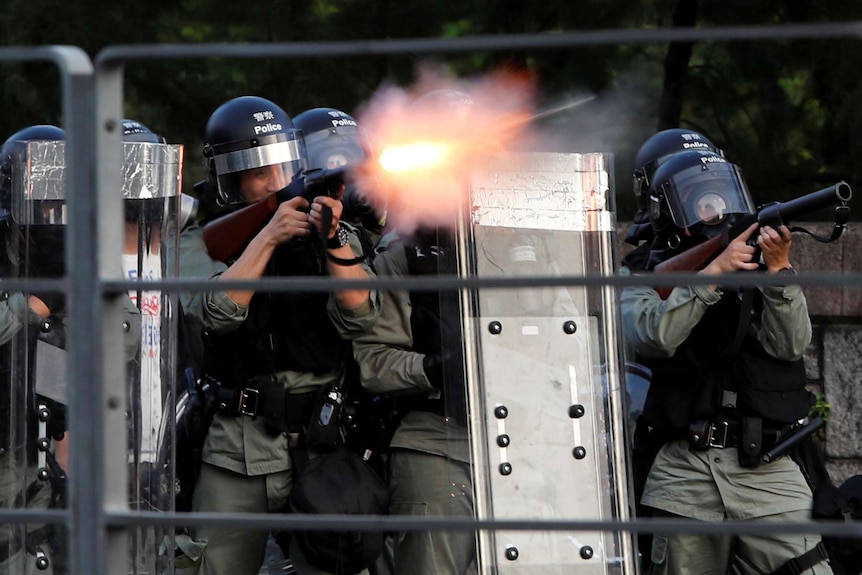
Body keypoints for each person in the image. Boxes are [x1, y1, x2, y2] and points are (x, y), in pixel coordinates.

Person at [176, 95, 378, 575]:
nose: (272, 183)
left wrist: (331, 240)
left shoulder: (332, 226)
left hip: (321, 443)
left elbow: (362, 317)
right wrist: (267, 235)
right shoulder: (198, 239)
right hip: (235, 448)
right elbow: (218, 313)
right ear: (231, 181)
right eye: (256, 174)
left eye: (279, 169)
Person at [620, 146, 831, 574]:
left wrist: (779, 273)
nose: (719, 211)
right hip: (685, 474)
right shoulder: (642, 274)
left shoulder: (760, 265)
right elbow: (654, 338)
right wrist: (713, 274)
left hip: (767, 467)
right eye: (705, 202)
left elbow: (790, 346)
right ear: (671, 214)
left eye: (725, 198)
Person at [0, 125, 142, 575]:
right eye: (42, 200)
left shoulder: (83, 250)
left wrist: (81, 294)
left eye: (61, 200)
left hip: (57, 447)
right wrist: (31, 304)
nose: (51, 215)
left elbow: (127, 339)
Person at [351, 89, 478, 575]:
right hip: (435, 440)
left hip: (525, 437)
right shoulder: (403, 255)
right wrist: (436, 368)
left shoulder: (527, 246)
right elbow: (373, 362)